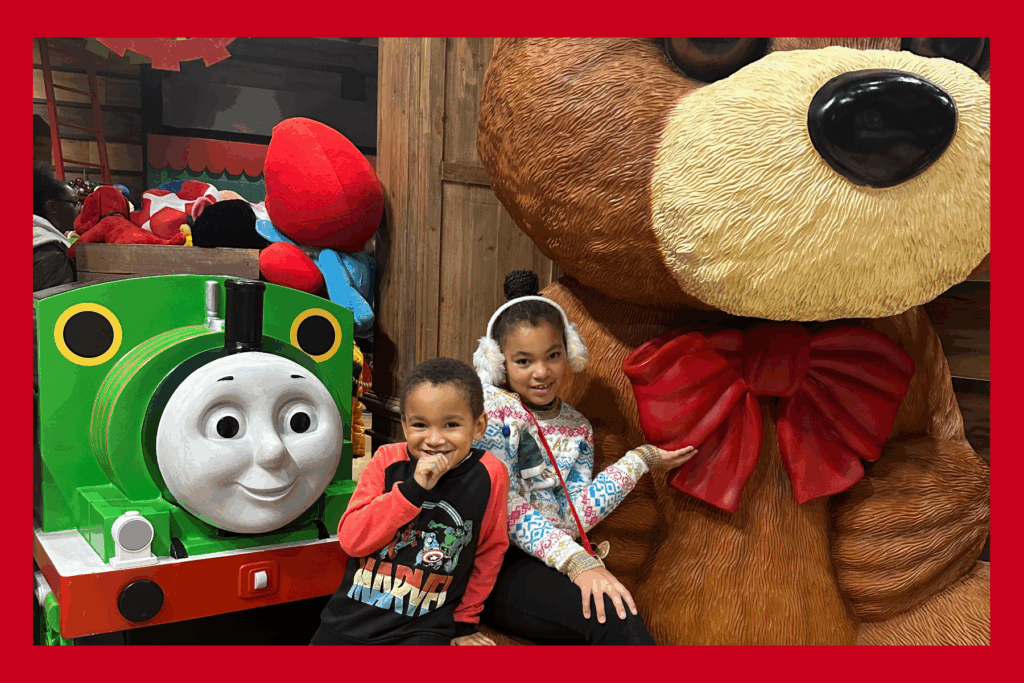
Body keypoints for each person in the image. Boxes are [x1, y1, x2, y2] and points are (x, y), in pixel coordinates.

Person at [473, 270, 697, 645]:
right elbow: (505, 507)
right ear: (498, 363)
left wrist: (639, 460)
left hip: (549, 558)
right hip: (493, 564)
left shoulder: (577, 427)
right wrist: (577, 563)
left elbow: (575, 515)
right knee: (615, 621)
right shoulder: (491, 411)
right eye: (523, 361)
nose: (542, 372)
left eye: (554, 355)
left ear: (570, 352)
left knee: (619, 611)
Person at [313, 357, 510, 645]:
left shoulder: (490, 473)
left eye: (451, 424)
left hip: (422, 630)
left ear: (478, 426)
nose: (434, 439)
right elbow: (352, 539)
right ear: (405, 426)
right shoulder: (387, 461)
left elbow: (489, 552)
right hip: (350, 621)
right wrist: (412, 491)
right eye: (420, 425)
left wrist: (465, 621)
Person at [33, 161, 78, 291]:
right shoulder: (51, 254)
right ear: (52, 207)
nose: (78, 210)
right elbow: (54, 309)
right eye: (74, 203)